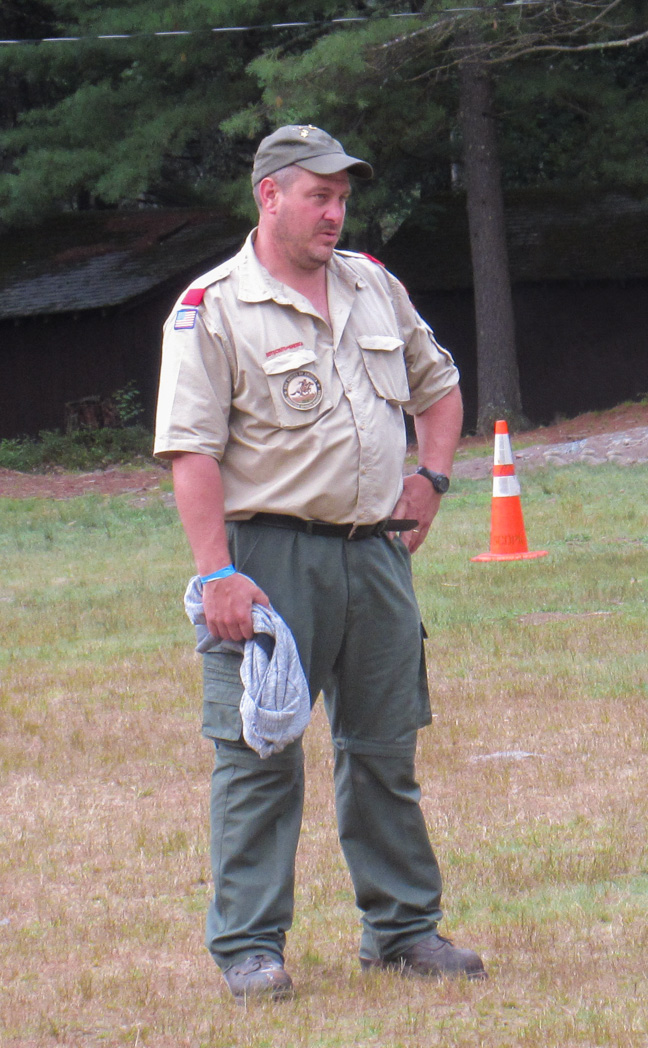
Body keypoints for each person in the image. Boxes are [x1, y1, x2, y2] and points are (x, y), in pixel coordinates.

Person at [154, 124, 485, 1001]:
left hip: (374, 555)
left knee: (384, 750)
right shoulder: (213, 306)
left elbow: (439, 386)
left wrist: (433, 476)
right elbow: (191, 451)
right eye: (319, 196)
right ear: (269, 196)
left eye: (343, 198)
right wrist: (217, 573)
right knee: (258, 751)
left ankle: (404, 929)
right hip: (270, 556)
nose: (335, 213)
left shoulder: (374, 286)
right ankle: (250, 946)